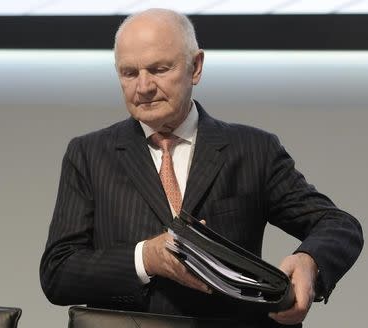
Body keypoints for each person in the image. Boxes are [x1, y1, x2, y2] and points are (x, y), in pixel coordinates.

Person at [40, 8, 363, 327]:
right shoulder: (89, 154)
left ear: (195, 67)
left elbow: (338, 224)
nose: (143, 87)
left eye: (158, 69)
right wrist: (146, 258)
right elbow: (58, 272)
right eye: (129, 73)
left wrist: (311, 262)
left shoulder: (253, 150)